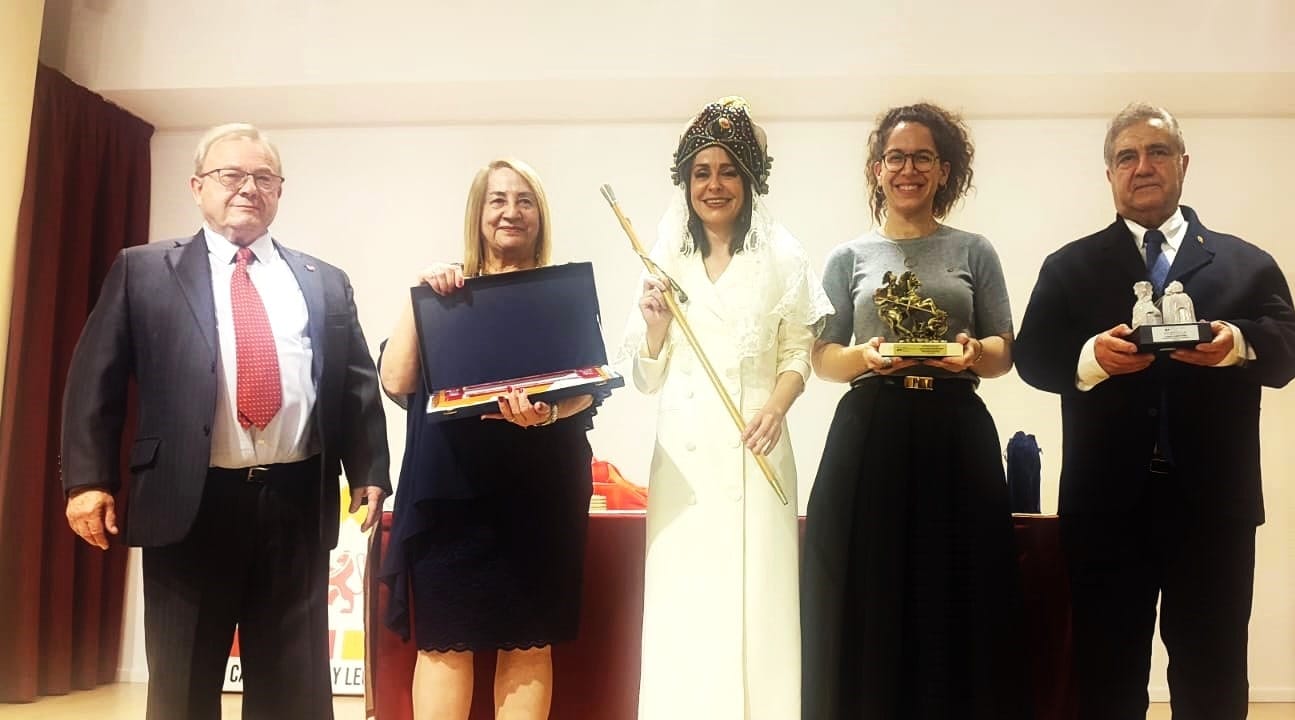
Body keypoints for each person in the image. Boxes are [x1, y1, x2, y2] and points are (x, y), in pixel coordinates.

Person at [60, 123, 391, 720]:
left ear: (280, 190)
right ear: (197, 187)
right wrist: (87, 480)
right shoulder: (143, 270)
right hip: (188, 503)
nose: (248, 188)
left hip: (295, 500)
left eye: (264, 177)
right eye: (231, 174)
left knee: (293, 686)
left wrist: (368, 468)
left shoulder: (323, 280)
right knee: (182, 683)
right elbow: (94, 381)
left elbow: (355, 382)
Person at [1012, 102, 1295, 720]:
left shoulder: (1245, 263)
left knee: (1213, 675)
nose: (1142, 166)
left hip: (1213, 509)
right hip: (1104, 510)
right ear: (1109, 174)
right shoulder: (1069, 267)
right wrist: (1091, 360)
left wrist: (1238, 344)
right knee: (1105, 675)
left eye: (1156, 152)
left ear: (1183, 163)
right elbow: (1034, 358)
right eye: (1126, 156)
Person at [801, 102, 1032, 719]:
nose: (908, 169)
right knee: (870, 586)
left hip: (956, 432)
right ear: (878, 169)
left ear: (943, 169)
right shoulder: (847, 258)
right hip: (870, 432)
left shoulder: (974, 250)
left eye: (922, 158)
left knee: (959, 586)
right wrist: (865, 357)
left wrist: (972, 352)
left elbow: (1003, 351)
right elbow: (823, 357)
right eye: (896, 158)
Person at [625, 97, 832, 720]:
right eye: (701, 173)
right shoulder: (664, 257)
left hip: (756, 448)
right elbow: (643, 376)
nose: (714, 186)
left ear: (749, 179)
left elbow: (798, 352)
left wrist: (776, 407)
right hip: (683, 463)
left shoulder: (784, 256)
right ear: (686, 182)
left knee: (758, 605)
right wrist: (655, 327)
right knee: (684, 603)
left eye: (727, 171)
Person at [378, 158, 599, 720]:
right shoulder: (444, 294)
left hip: (541, 494)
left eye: (525, 201)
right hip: (450, 496)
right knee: (444, 641)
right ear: (478, 213)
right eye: (498, 200)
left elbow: (588, 388)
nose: (511, 212)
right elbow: (396, 380)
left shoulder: (560, 294)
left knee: (529, 639)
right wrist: (418, 296)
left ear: (540, 216)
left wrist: (547, 415)